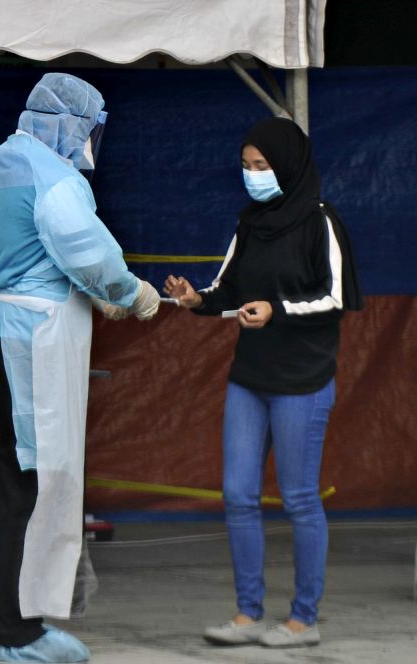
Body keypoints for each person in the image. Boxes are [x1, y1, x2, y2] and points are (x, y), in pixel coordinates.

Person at [0, 73, 160, 663]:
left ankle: (6, 617)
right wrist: (130, 292)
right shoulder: (54, 178)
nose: (89, 143)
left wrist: (86, 287)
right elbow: (85, 248)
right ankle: (8, 630)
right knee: (19, 487)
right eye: (88, 129)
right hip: (23, 345)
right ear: (69, 125)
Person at [164, 116, 362, 648]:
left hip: (303, 378)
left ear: (289, 165)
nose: (253, 175)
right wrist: (196, 300)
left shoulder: (321, 221)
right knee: (237, 495)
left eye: (263, 166)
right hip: (250, 377)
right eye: (247, 166)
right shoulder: (249, 223)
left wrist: (278, 310)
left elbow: (335, 297)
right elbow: (226, 288)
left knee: (299, 498)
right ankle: (247, 613)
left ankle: (303, 618)